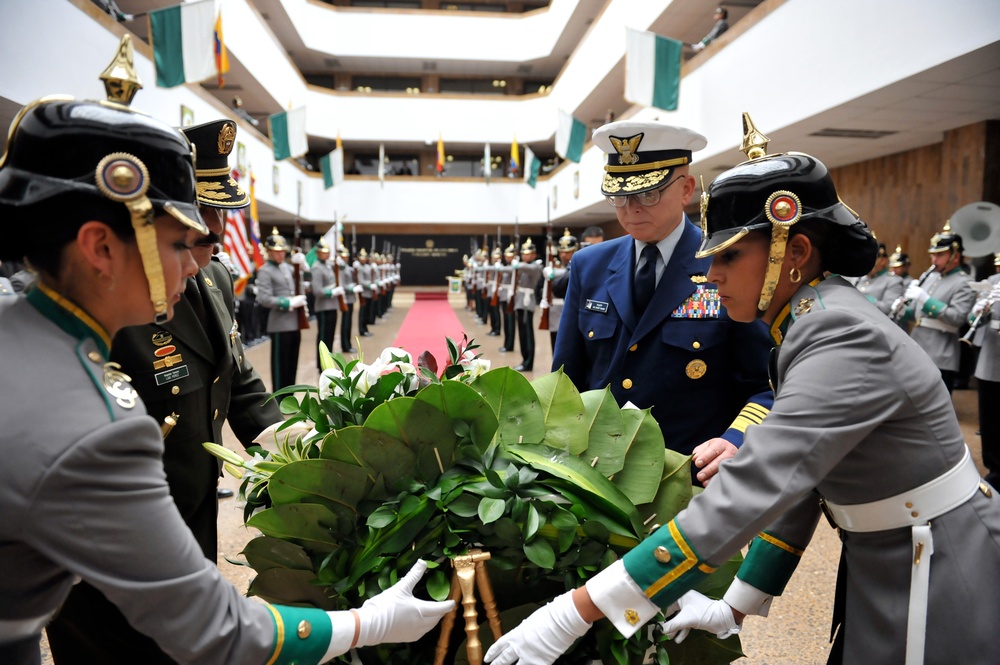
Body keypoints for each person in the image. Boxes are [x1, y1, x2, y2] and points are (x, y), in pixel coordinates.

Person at [485, 113, 1000, 665]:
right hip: (895, 552)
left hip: (934, 564)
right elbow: (805, 481)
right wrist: (736, 603)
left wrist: (578, 610)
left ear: (795, 252)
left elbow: (760, 483)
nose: (711, 275)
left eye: (729, 256)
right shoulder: (810, 320)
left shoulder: (836, 334)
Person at [0, 39, 453, 664]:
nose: (199, 258)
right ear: (100, 248)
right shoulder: (96, 427)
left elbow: (238, 387)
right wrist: (368, 624)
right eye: (178, 241)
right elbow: (217, 630)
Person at [46, 117, 287, 662]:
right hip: (117, 537)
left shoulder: (215, 276)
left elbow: (238, 376)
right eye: (200, 214)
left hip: (195, 510)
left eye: (220, 213)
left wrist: (290, 445)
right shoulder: (109, 298)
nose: (218, 232)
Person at [551, 119, 773, 484]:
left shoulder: (727, 261)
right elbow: (566, 381)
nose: (631, 209)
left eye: (647, 194)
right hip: (596, 476)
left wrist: (735, 441)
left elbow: (766, 385)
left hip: (689, 478)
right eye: (619, 196)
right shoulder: (589, 265)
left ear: (686, 189)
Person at [891, 221, 976, 392]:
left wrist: (926, 299)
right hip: (917, 347)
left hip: (941, 353)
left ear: (955, 256)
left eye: (940, 255)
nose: (933, 259)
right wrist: (901, 310)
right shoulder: (929, 277)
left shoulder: (964, 282)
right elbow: (916, 315)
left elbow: (957, 317)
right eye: (932, 255)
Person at [257, 228, 307, 390]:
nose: (280, 255)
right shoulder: (265, 271)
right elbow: (264, 298)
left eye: (282, 251)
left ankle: (289, 398)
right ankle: (279, 398)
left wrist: (304, 265)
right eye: (276, 251)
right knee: (280, 365)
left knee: (292, 362)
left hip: (294, 322)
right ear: (269, 252)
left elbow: (305, 280)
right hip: (279, 323)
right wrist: (288, 303)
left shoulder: (287, 267)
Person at [971, 254, 1000, 488]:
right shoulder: (992, 280)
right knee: (990, 420)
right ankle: (995, 469)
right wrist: (980, 310)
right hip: (991, 358)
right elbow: (972, 317)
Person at [310, 237, 346, 368]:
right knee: (323, 338)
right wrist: (332, 291)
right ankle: (322, 365)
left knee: (330, 336)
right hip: (323, 307)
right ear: (318, 253)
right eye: (323, 252)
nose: (326, 254)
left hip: (332, 306)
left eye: (327, 252)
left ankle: (328, 363)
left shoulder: (328, 265)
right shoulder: (317, 268)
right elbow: (317, 290)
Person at [542, 229, 578, 349]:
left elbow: (569, 273)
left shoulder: (574, 267)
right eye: (562, 251)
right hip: (555, 310)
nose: (564, 255)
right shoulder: (555, 266)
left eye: (568, 252)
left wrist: (553, 273)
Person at [513, 237, 543, 372]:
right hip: (520, 302)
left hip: (526, 303)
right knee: (522, 333)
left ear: (534, 255)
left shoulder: (536, 266)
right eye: (523, 253)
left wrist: (516, 263)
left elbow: (525, 267)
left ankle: (528, 362)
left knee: (527, 334)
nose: (525, 256)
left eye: (528, 254)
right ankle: (525, 360)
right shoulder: (526, 266)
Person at [855, 240, 903, 317]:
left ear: (883, 261)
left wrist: (862, 298)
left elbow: (888, 309)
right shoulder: (859, 277)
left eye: (870, 259)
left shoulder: (893, 281)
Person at [337, 242, 359, 353]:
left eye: (346, 256)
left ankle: (348, 344)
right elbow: (342, 285)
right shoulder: (340, 269)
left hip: (350, 299)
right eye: (343, 257)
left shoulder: (346, 268)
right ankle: (345, 345)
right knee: (345, 323)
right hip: (345, 299)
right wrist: (351, 288)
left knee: (349, 322)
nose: (346, 258)